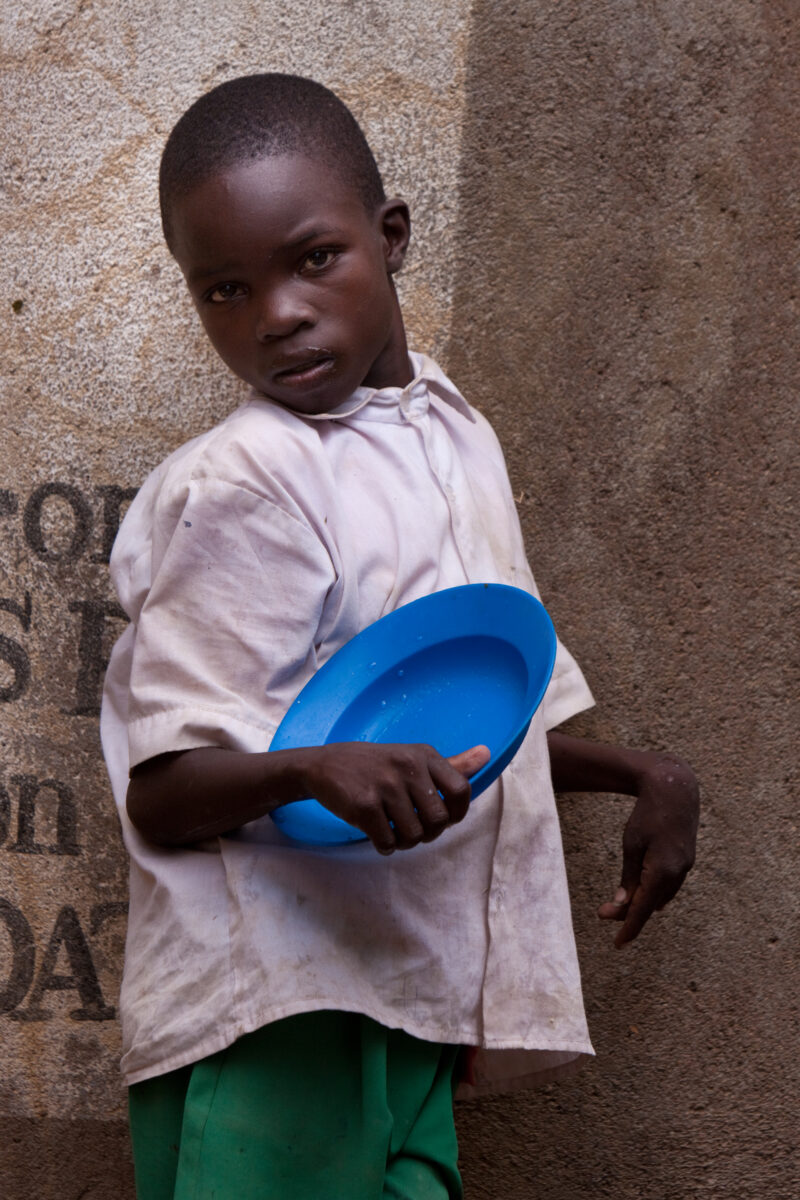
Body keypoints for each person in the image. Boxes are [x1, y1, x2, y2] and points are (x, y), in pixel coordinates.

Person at [100, 73, 699, 1200]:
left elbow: (452, 740)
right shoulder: (243, 482)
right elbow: (166, 791)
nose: (274, 312)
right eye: (224, 289)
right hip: (272, 1011)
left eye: (312, 259)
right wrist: (315, 768)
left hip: (407, 994)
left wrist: (640, 774)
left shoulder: (452, 435)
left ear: (391, 238)